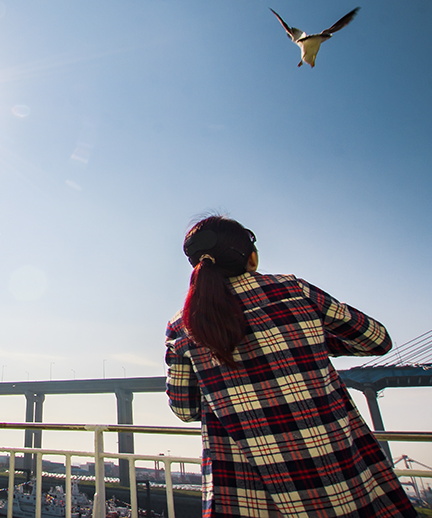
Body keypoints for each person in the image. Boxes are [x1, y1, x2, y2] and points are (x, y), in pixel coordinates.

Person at [165, 216, 416, 518]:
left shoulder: (182, 326)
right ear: (251, 258)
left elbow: (185, 410)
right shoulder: (293, 290)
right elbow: (376, 340)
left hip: (242, 492)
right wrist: (308, 342)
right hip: (338, 481)